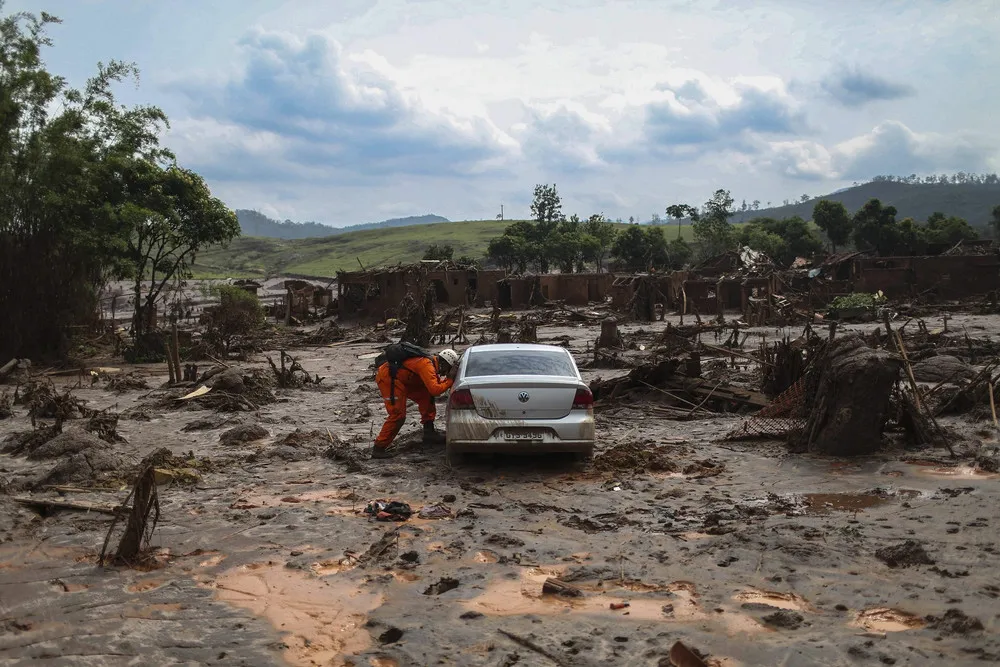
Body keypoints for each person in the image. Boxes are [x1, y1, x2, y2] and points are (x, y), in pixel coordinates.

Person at [371, 348, 461, 459]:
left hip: (405, 379)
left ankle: (429, 432)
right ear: (444, 363)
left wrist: (447, 380)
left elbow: (433, 387)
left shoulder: (431, 365)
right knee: (398, 415)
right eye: (449, 369)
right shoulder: (426, 365)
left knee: (427, 396)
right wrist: (450, 380)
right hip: (389, 378)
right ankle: (379, 448)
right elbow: (436, 390)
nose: (446, 372)